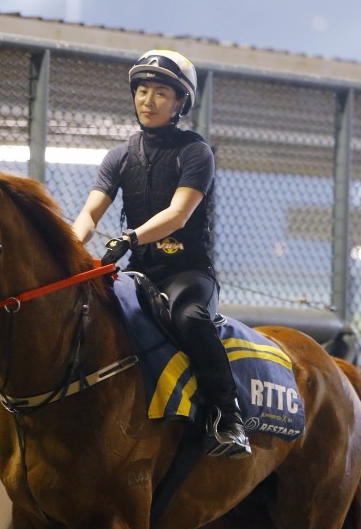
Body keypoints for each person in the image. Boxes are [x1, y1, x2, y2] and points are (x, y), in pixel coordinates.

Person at [72, 49, 251, 458]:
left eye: (160, 93)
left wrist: (129, 238)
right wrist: (67, 249)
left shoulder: (195, 152)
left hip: (187, 274)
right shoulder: (119, 156)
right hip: (140, 275)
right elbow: (89, 213)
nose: (148, 101)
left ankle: (229, 418)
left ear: (180, 104)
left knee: (190, 319)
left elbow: (178, 213)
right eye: (142, 90)